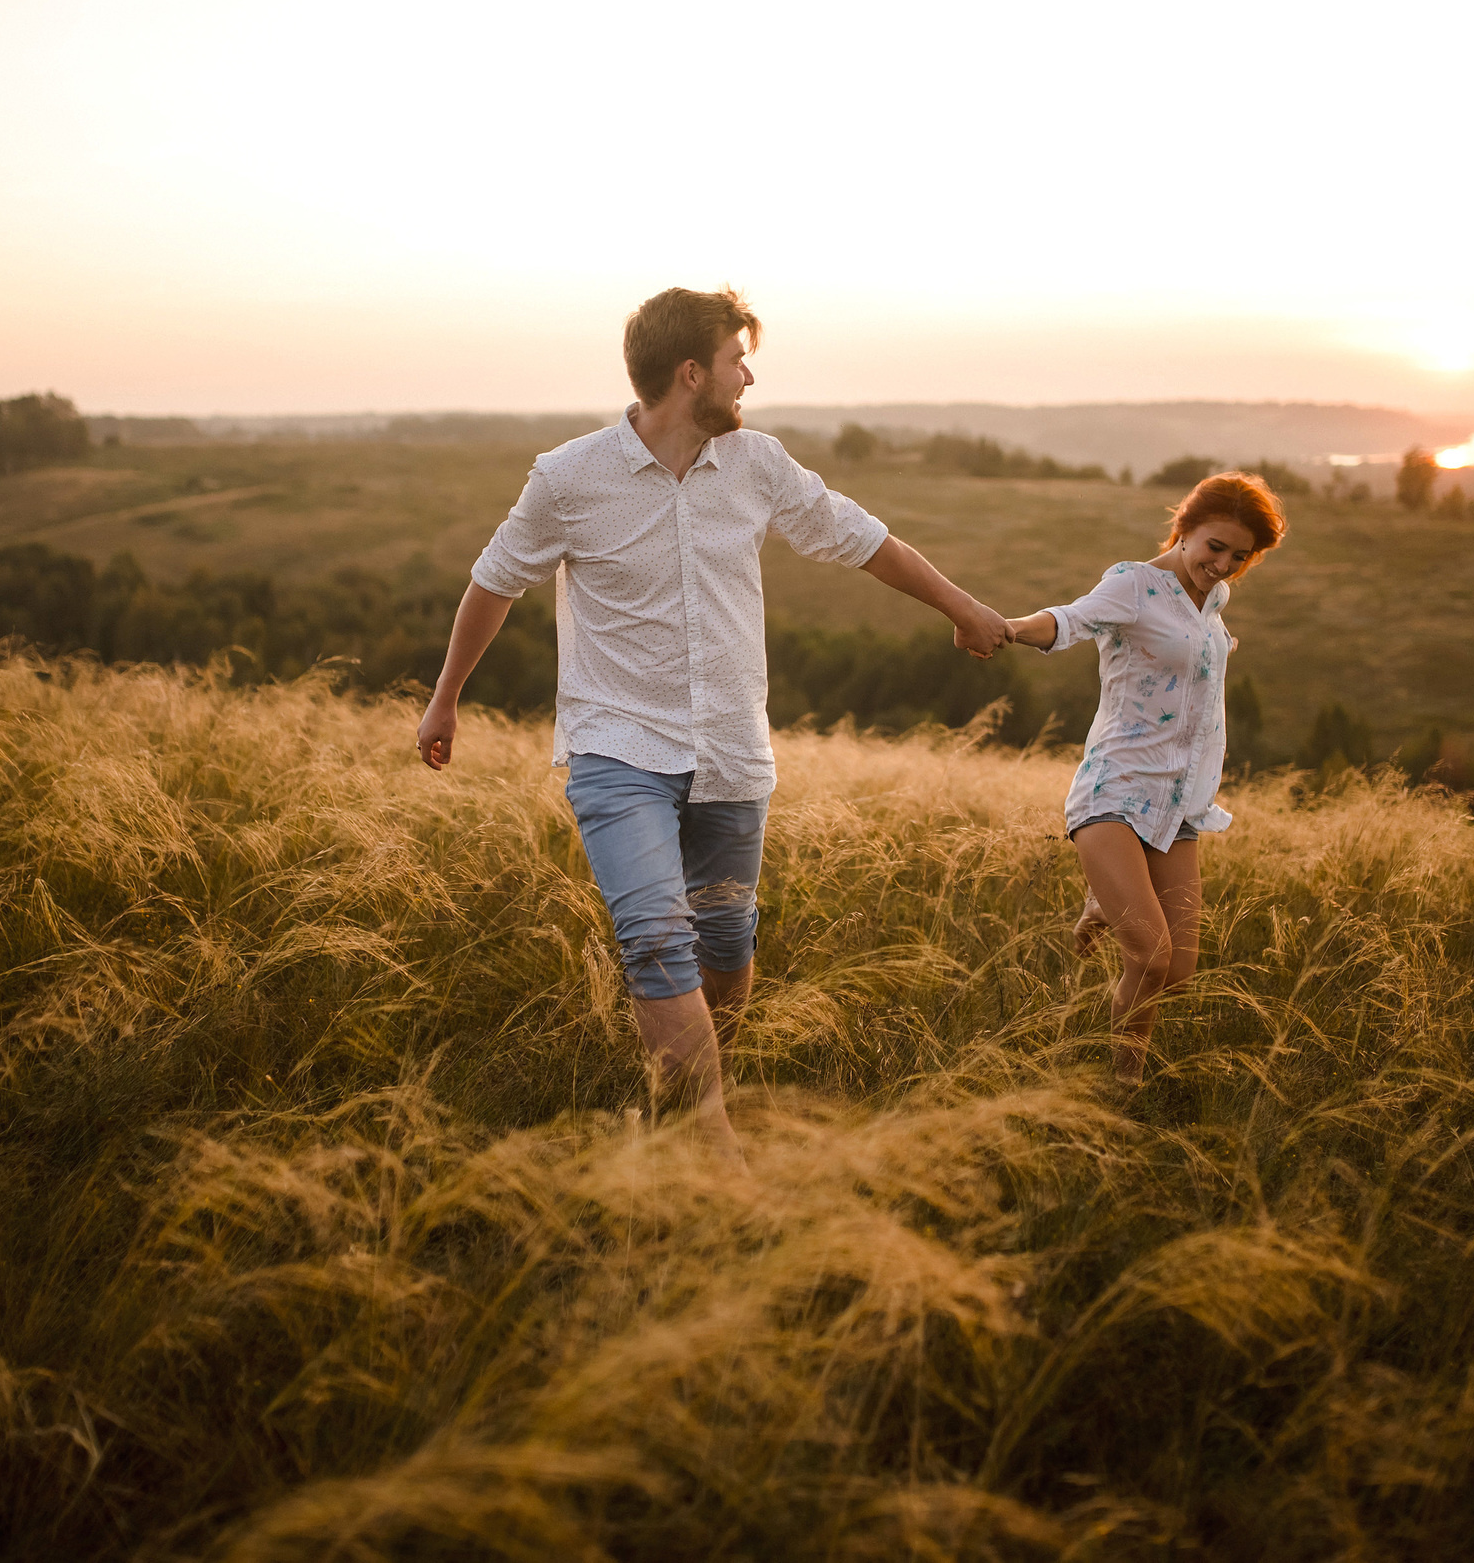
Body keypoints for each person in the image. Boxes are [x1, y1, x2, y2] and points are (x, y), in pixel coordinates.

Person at [414, 287, 1014, 1157]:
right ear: (692, 373)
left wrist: (960, 606)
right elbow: (494, 582)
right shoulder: (569, 477)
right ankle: (712, 1145)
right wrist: (446, 696)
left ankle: (689, 1090)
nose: (750, 376)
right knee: (656, 934)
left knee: (726, 935)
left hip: (732, 748)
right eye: (738, 360)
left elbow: (861, 537)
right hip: (617, 745)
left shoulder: (759, 464)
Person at [1007, 472, 1287, 1084]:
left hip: (1179, 801)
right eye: (1216, 547)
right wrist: (1009, 629)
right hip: (1116, 788)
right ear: (1184, 527)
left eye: (1241, 557)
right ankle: (1124, 1083)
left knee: (1180, 972)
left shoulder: (1213, 603)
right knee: (1152, 958)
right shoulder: (1133, 584)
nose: (1225, 565)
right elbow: (1069, 620)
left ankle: (1101, 903)